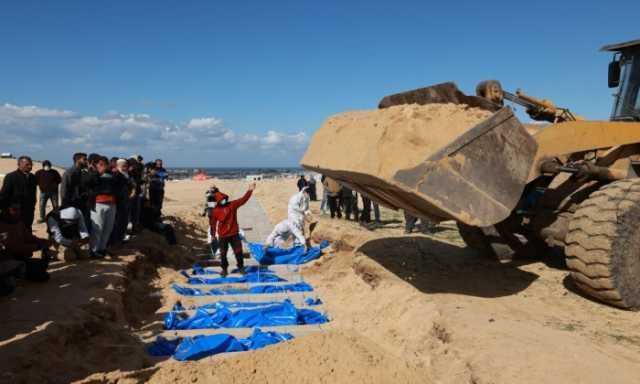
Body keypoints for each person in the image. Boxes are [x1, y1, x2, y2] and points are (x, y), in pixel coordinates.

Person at [209, 183, 256, 276]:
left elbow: (243, 200)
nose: (224, 201)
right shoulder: (215, 211)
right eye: (222, 200)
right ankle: (224, 269)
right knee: (223, 254)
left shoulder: (232, 205)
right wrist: (213, 235)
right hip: (223, 235)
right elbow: (213, 224)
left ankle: (241, 268)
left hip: (234, 233)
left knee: (238, 252)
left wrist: (250, 190)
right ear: (218, 201)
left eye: (225, 199)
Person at [87, 156, 117, 258]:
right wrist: (97, 172)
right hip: (98, 204)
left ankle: (102, 248)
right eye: (101, 164)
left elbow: (119, 185)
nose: (103, 166)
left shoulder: (112, 175)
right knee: (97, 228)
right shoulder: (92, 174)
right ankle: (94, 250)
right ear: (95, 165)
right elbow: (88, 183)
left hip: (112, 204)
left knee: (108, 228)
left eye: (105, 164)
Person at [0, 156, 37, 230]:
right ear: (19, 164)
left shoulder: (33, 177)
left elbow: (33, 193)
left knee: (27, 231)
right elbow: (4, 194)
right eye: (27, 164)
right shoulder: (11, 176)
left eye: (31, 164)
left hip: (29, 211)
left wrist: (33, 204)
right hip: (14, 212)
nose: (30, 166)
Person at [110, 159, 134, 246]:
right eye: (123, 166)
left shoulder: (126, 175)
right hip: (119, 202)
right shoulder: (116, 175)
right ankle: (116, 241)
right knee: (118, 223)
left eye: (126, 166)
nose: (126, 168)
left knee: (124, 222)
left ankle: (121, 239)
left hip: (126, 201)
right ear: (118, 166)